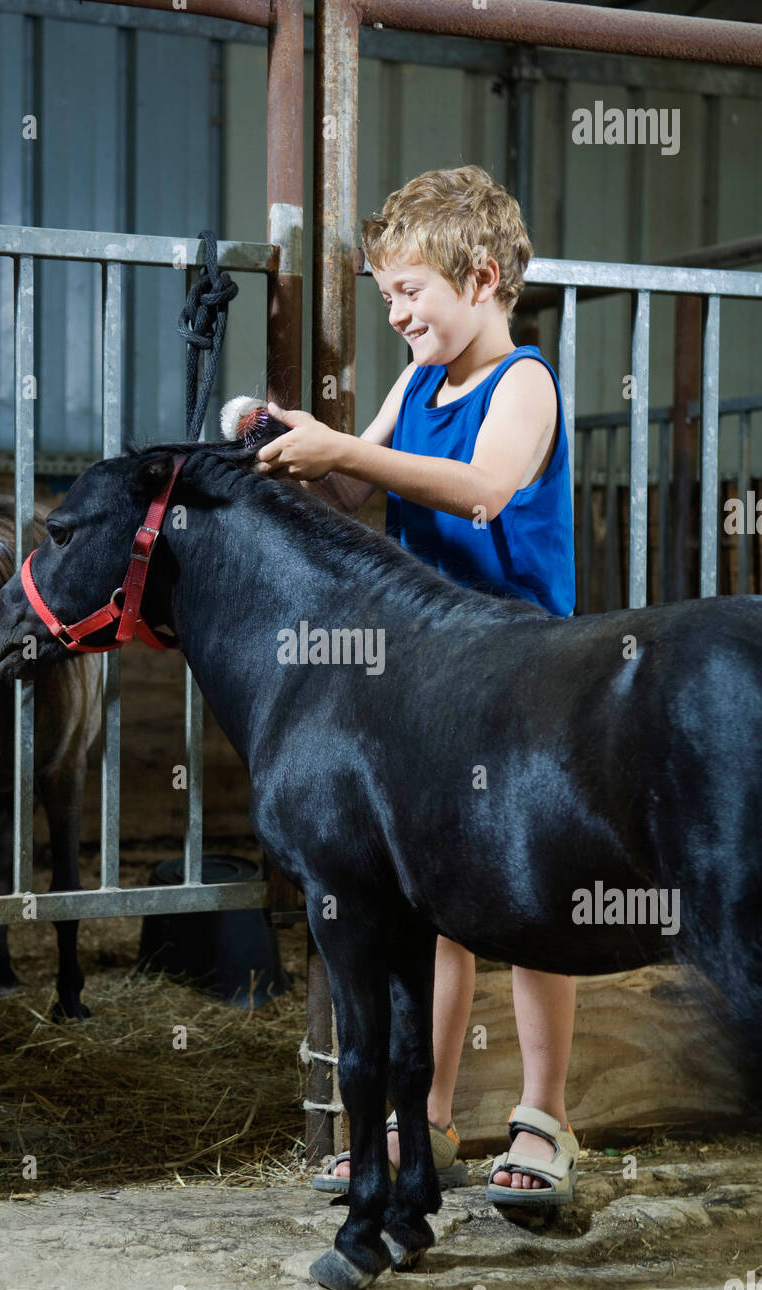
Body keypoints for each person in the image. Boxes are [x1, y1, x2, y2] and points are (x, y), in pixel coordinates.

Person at [255, 165, 579, 1205]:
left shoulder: (520, 381)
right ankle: (422, 1119)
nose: (392, 314)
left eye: (408, 293)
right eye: (385, 294)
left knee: (535, 900)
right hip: (429, 672)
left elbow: (485, 490)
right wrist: (293, 440)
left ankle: (544, 1117)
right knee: (434, 901)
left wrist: (348, 445)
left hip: (522, 667)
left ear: (479, 278)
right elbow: (358, 483)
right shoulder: (414, 387)